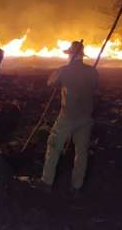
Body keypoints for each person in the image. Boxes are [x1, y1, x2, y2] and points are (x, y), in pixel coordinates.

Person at [40, 40, 98, 195]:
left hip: (67, 116)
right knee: (81, 151)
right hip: (86, 117)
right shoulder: (92, 71)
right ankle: (77, 186)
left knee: (53, 146)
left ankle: (47, 182)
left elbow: (50, 82)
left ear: (71, 55)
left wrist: (60, 73)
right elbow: (94, 85)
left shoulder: (65, 70)